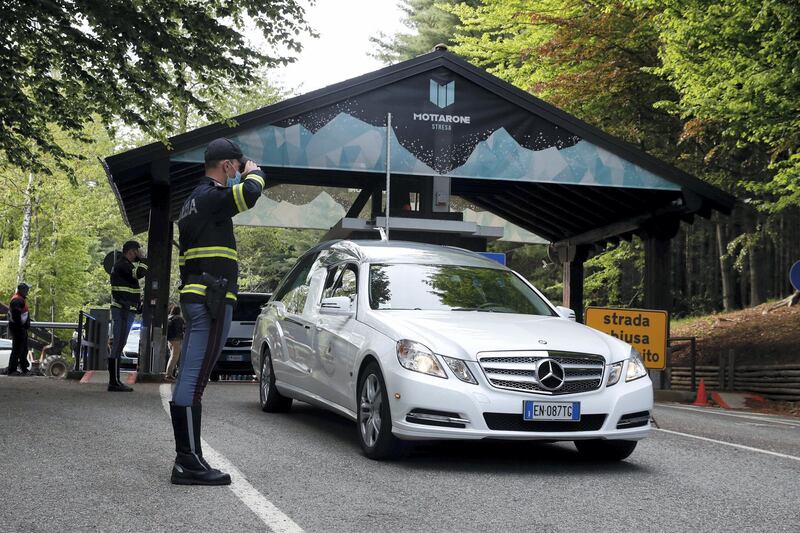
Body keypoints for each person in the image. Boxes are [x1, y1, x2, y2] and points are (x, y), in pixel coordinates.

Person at [168, 138, 265, 485]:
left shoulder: (191, 202)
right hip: (211, 300)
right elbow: (249, 195)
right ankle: (188, 462)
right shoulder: (210, 196)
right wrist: (255, 173)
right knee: (193, 383)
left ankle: (188, 459)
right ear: (227, 166)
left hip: (198, 296)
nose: (240, 172)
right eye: (237, 167)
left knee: (189, 378)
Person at [109, 240, 147, 392]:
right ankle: (113, 382)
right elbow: (139, 274)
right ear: (132, 251)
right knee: (118, 345)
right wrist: (144, 259)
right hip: (122, 311)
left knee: (120, 344)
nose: (140, 253)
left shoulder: (124, 265)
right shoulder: (123, 265)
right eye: (138, 250)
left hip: (127, 310)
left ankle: (116, 381)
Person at [6, 282, 32, 376]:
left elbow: (22, 314)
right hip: (18, 328)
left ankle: (24, 368)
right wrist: (21, 326)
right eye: (27, 289)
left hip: (20, 328)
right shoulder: (17, 300)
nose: (28, 291)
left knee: (23, 349)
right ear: (22, 290)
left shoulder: (20, 299)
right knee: (17, 349)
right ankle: (12, 370)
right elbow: (16, 315)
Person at [165, 305, 185, 381]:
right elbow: (181, 329)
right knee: (174, 357)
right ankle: (169, 374)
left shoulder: (169, 317)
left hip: (170, 340)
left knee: (172, 356)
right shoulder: (179, 318)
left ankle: (170, 373)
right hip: (176, 339)